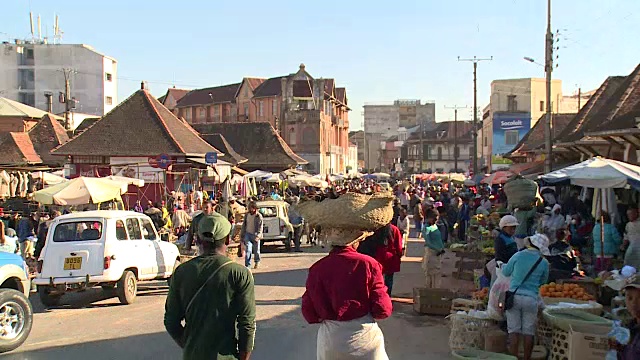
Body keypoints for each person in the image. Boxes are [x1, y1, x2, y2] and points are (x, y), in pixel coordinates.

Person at [164, 211, 256, 360]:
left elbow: (171, 321)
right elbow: (247, 324)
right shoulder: (239, 273)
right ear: (227, 240)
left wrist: (190, 346)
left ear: (198, 240)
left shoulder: (181, 272)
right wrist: (243, 356)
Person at [301, 228, 392, 359]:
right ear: (355, 242)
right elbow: (383, 309)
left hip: (331, 341)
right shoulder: (369, 264)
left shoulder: (317, 268)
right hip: (365, 339)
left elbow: (309, 313)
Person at [503, 234, 550, 360]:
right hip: (531, 299)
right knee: (528, 332)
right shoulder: (543, 262)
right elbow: (544, 281)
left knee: (513, 331)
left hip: (514, 297)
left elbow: (506, 272)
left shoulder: (518, 255)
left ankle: (513, 358)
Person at [422, 209, 445, 288]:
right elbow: (428, 242)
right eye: (434, 218)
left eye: (436, 218)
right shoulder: (426, 228)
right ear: (428, 218)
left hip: (438, 254)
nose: (435, 220)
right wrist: (438, 249)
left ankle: (436, 292)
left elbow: (438, 239)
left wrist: (442, 247)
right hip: (431, 253)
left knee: (437, 274)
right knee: (430, 275)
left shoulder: (435, 226)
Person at [240, 202, 263, 269]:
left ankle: (257, 261)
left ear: (254, 208)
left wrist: (258, 236)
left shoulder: (258, 216)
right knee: (248, 250)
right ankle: (248, 264)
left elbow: (260, 227)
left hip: (255, 235)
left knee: (256, 251)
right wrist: (242, 235)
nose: (250, 209)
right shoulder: (247, 215)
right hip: (248, 234)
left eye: (251, 208)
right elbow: (244, 225)